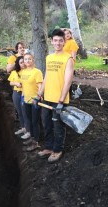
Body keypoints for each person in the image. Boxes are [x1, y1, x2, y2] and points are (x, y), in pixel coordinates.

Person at [35, 28, 74, 163]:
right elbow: (47, 76)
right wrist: (40, 93)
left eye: (60, 41)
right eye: (55, 40)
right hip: (47, 98)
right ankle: (48, 147)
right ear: (52, 41)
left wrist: (61, 100)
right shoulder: (49, 58)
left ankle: (57, 150)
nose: (58, 43)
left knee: (58, 126)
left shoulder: (68, 59)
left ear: (64, 42)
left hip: (59, 99)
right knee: (46, 124)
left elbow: (68, 81)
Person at [20, 53, 43, 152]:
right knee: (29, 120)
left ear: (33, 60)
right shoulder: (23, 72)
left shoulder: (37, 72)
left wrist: (38, 98)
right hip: (26, 100)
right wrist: (22, 96)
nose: (27, 61)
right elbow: (24, 86)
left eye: (29, 59)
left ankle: (36, 142)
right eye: (25, 59)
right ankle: (32, 138)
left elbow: (40, 86)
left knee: (35, 121)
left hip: (34, 101)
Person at [8, 56, 27, 135]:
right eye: (21, 63)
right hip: (16, 93)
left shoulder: (28, 72)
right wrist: (16, 83)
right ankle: (23, 127)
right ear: (18, 64)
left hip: (25, 93)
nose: (23, 64)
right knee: (19, 111)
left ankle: (27, 129)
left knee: (25, 112)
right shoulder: (14, 72)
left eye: (24, 62)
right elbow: (10, 82)